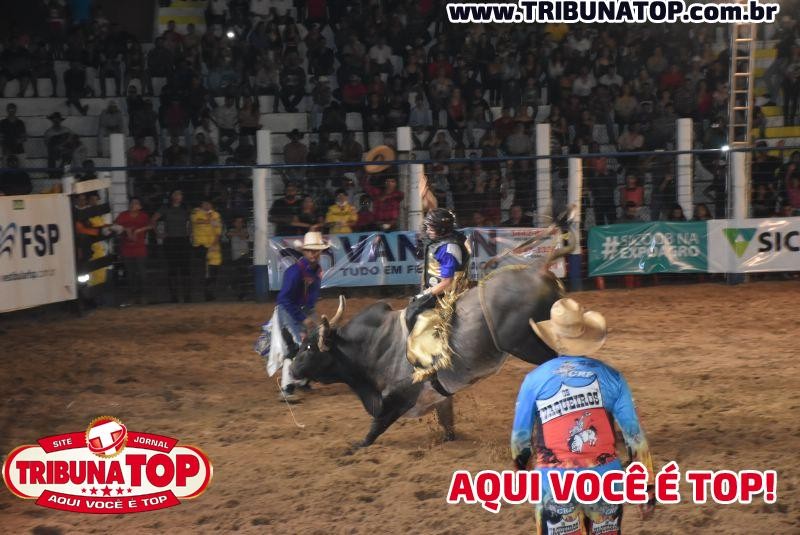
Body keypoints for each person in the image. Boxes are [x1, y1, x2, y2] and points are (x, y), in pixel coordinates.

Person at [512, 298, 655, 534]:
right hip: (606, 481)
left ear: (553, 337)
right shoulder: (612, 377)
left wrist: (522, 473)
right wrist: (647, 486)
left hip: (555, 484)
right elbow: (634, 435)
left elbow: (520, 440)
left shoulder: (534, 380)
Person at [276, 231, 329, 401]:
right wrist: (302, 318)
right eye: (310, 250)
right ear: (304, 251)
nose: (314, 254)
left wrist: (312, 317)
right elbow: (283, 299)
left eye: (317, 250)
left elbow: (310, 300)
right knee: (297, 346)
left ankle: (304, 379)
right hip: (288, 311)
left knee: (318, 339)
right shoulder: (295, 272)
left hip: (304, 310)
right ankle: (286, 388)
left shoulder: (316, 271)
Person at [406, 208, 470, 329]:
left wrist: (425, 294)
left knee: (413, 314)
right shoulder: (441, 239)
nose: (428, 230)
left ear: (442, 229)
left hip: (447, 299)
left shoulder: (448, 249)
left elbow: (447, 283)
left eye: (431, 227)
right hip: (438, 291)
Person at [151, 190, 192, 302]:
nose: (179, 196)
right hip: (170, 241)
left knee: (185, 268)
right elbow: (153, 219)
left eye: (180, 194)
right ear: (172, 196)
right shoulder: (166, 207)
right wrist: (158, 233)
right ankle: (174, 296)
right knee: (172, 268)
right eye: (176, 194)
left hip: (183, 240)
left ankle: (187, 296)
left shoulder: (186, 208)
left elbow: (193, 220)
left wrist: (190, 232)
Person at [114, 198, 152, 305]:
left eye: (135, 203)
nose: (132, 205)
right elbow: (115, 226)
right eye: (131, 203)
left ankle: (143, 295)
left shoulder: (143, 216)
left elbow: (150, 225)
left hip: (140, 249)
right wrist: (125, 229)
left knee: (142, 273)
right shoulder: (123, 215)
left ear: (140, 206)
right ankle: (133, 296)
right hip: (127, 249)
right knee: (130, 274)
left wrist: (139, 230)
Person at [191, 199, 223, 301]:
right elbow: (196, 221)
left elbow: (218, 231)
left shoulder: (216, 215)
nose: (207, 205)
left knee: (214, 271)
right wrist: (210, 220)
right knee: (204, 271)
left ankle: (210, 293)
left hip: (214, 246)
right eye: (205, 203)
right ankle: (204, 293)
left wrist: (214, 245)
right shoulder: (196, 212)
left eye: (209, 203)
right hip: (201, 246)